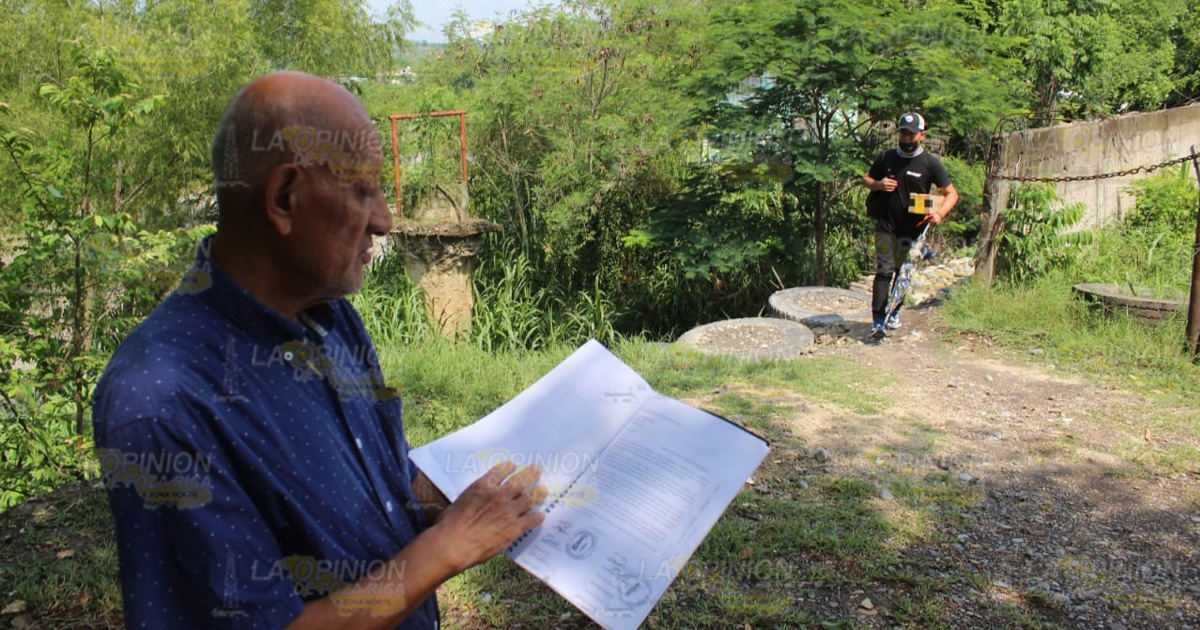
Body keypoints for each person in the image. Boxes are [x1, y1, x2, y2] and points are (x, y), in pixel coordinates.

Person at [93, 71, 548, 629]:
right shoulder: (164, 400)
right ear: (285, 198)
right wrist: (449, 546)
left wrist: (460, 498)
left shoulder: (330, 316)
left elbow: (386, 484)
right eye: (364, 191)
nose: (383, 219)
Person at [861, 112, 959, 338]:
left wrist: (940, 214)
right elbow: (866, 179)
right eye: (903, 133)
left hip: (914, 231)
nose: (906, 138)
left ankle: (893, 313)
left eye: (911, 134)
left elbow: (951, 194)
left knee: (902, 273)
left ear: (922, 135)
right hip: (887, 226)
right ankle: (877, 320)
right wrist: (878, 184)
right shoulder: (886, 157)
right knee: (884, 271)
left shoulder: (930, 164)